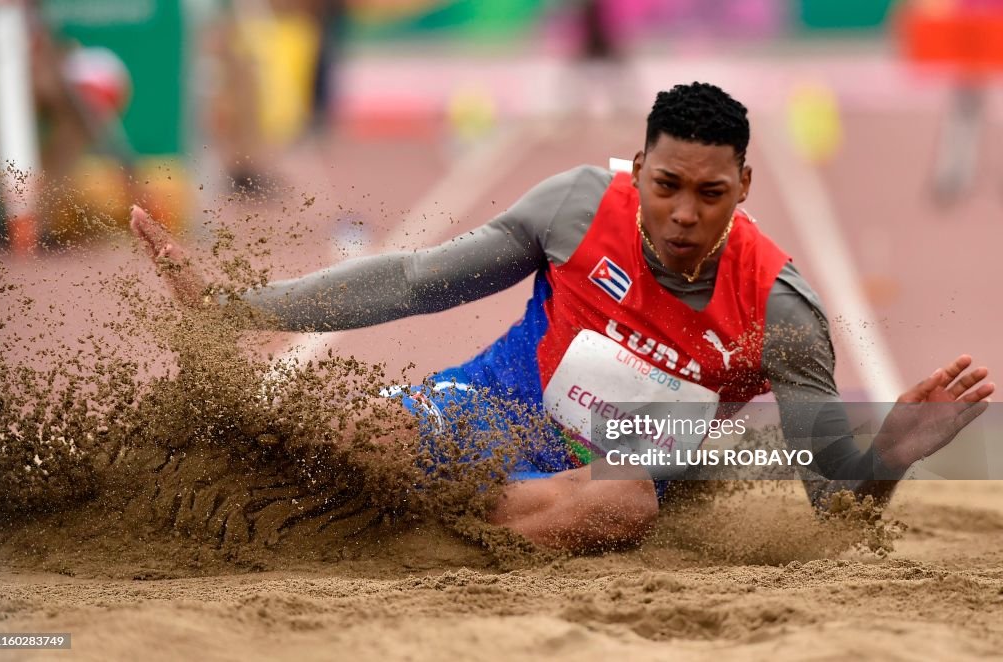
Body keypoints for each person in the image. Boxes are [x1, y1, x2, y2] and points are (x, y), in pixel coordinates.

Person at [131, 82, 994, 553]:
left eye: (710, 193)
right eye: (667, 187)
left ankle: (431, 534)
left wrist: (885, 459)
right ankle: (173, 492)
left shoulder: (783, 312)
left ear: (744, 191)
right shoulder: (578, 209)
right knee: (361, 439)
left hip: (606, 476)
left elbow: (835, 503)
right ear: (638, 171)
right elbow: (414, 281)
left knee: (624, 508)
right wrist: (236, 309)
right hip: (489, 412)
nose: (685, 214)